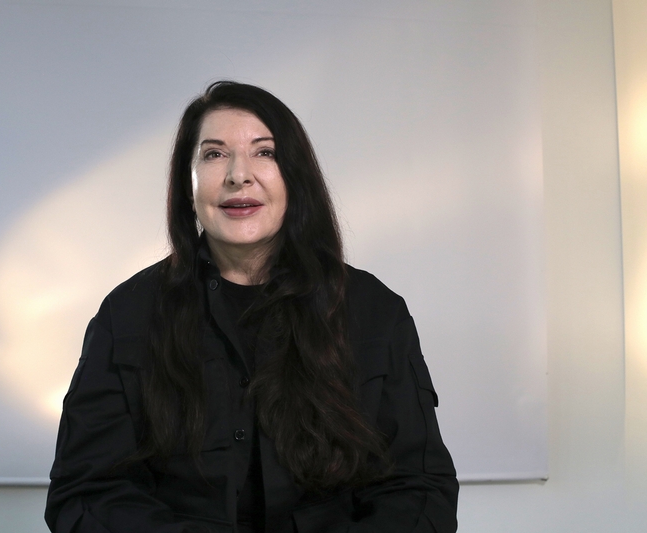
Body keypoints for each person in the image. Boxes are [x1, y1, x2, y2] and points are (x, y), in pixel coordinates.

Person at [45, 81, 458, 533]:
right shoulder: (126, 314)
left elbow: (419, 488)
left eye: (264, 152)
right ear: (187, 185)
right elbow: (86, 492)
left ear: (296, 178)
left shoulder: (376, 311)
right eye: (214, 154)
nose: (239, 175)